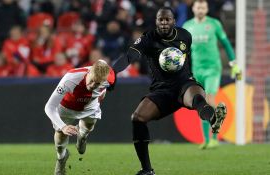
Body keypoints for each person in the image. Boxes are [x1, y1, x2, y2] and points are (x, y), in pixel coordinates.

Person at [112, 7, 227, 175]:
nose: (164, 23)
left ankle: (214, 119)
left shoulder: (185, 36)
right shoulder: (148, 38)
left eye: (167, 20)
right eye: (161, 20)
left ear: (173, 21)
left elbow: (188, 61)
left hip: (184, 84)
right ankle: (146, 170)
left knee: (197, 99)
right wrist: (113, 72)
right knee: (137, 118)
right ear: (156, 21)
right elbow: (130, 56)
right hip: (161, 90)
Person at [183, 0, 241, 149]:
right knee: (201, 102)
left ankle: (215, 137)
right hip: (197, 70)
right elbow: (184, 52)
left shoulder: (214, 24)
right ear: (194, 8)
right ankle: (206, 140)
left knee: (209, 99)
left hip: (213, 69)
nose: (201, 9)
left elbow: (226, 43)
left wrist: (233, 64)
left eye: (203, 7)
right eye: (198, 7)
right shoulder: (187, 26)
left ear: (207, 9)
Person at [44, 60, 115, 175]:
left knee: (88, 127)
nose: (92, 86)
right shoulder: (70, 78)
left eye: (97, 84)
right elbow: (49, 107)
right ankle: (61, 158)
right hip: (66, 107)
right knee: (60, 136)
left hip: (89, 107)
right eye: (91, 80)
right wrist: (63, 127)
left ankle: (82, 137)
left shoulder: (109, 78)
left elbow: (108, 78)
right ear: (89, 71)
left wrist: (101, 95)